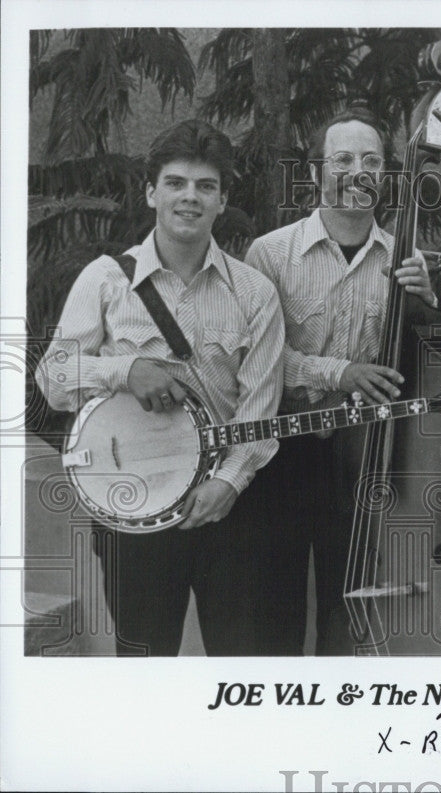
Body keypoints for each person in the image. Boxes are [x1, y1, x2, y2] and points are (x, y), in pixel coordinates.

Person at [36, 119, 285, 656]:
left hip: (229, 509)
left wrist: (230, 482)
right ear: (151, 192)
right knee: (143, 666)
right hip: (133, 510)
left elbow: (260, 408)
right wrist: (125, 372)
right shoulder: (105, 280)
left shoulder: (255, 292)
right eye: (175, 183)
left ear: (223, 200)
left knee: (241, 667)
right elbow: (52, 377)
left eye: (205, 186)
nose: (189, 198)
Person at [245, 107, 437, 655]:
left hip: (365, 453)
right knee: (275, 604)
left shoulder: (405, 258)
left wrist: (428, 304)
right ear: (314, 174)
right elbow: (255, 363)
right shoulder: (270, 252)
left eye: (372, 160)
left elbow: (419, 363)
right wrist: (340, 373)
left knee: (349, 599)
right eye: (343, 159)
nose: (359, 172)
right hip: (285, 448)